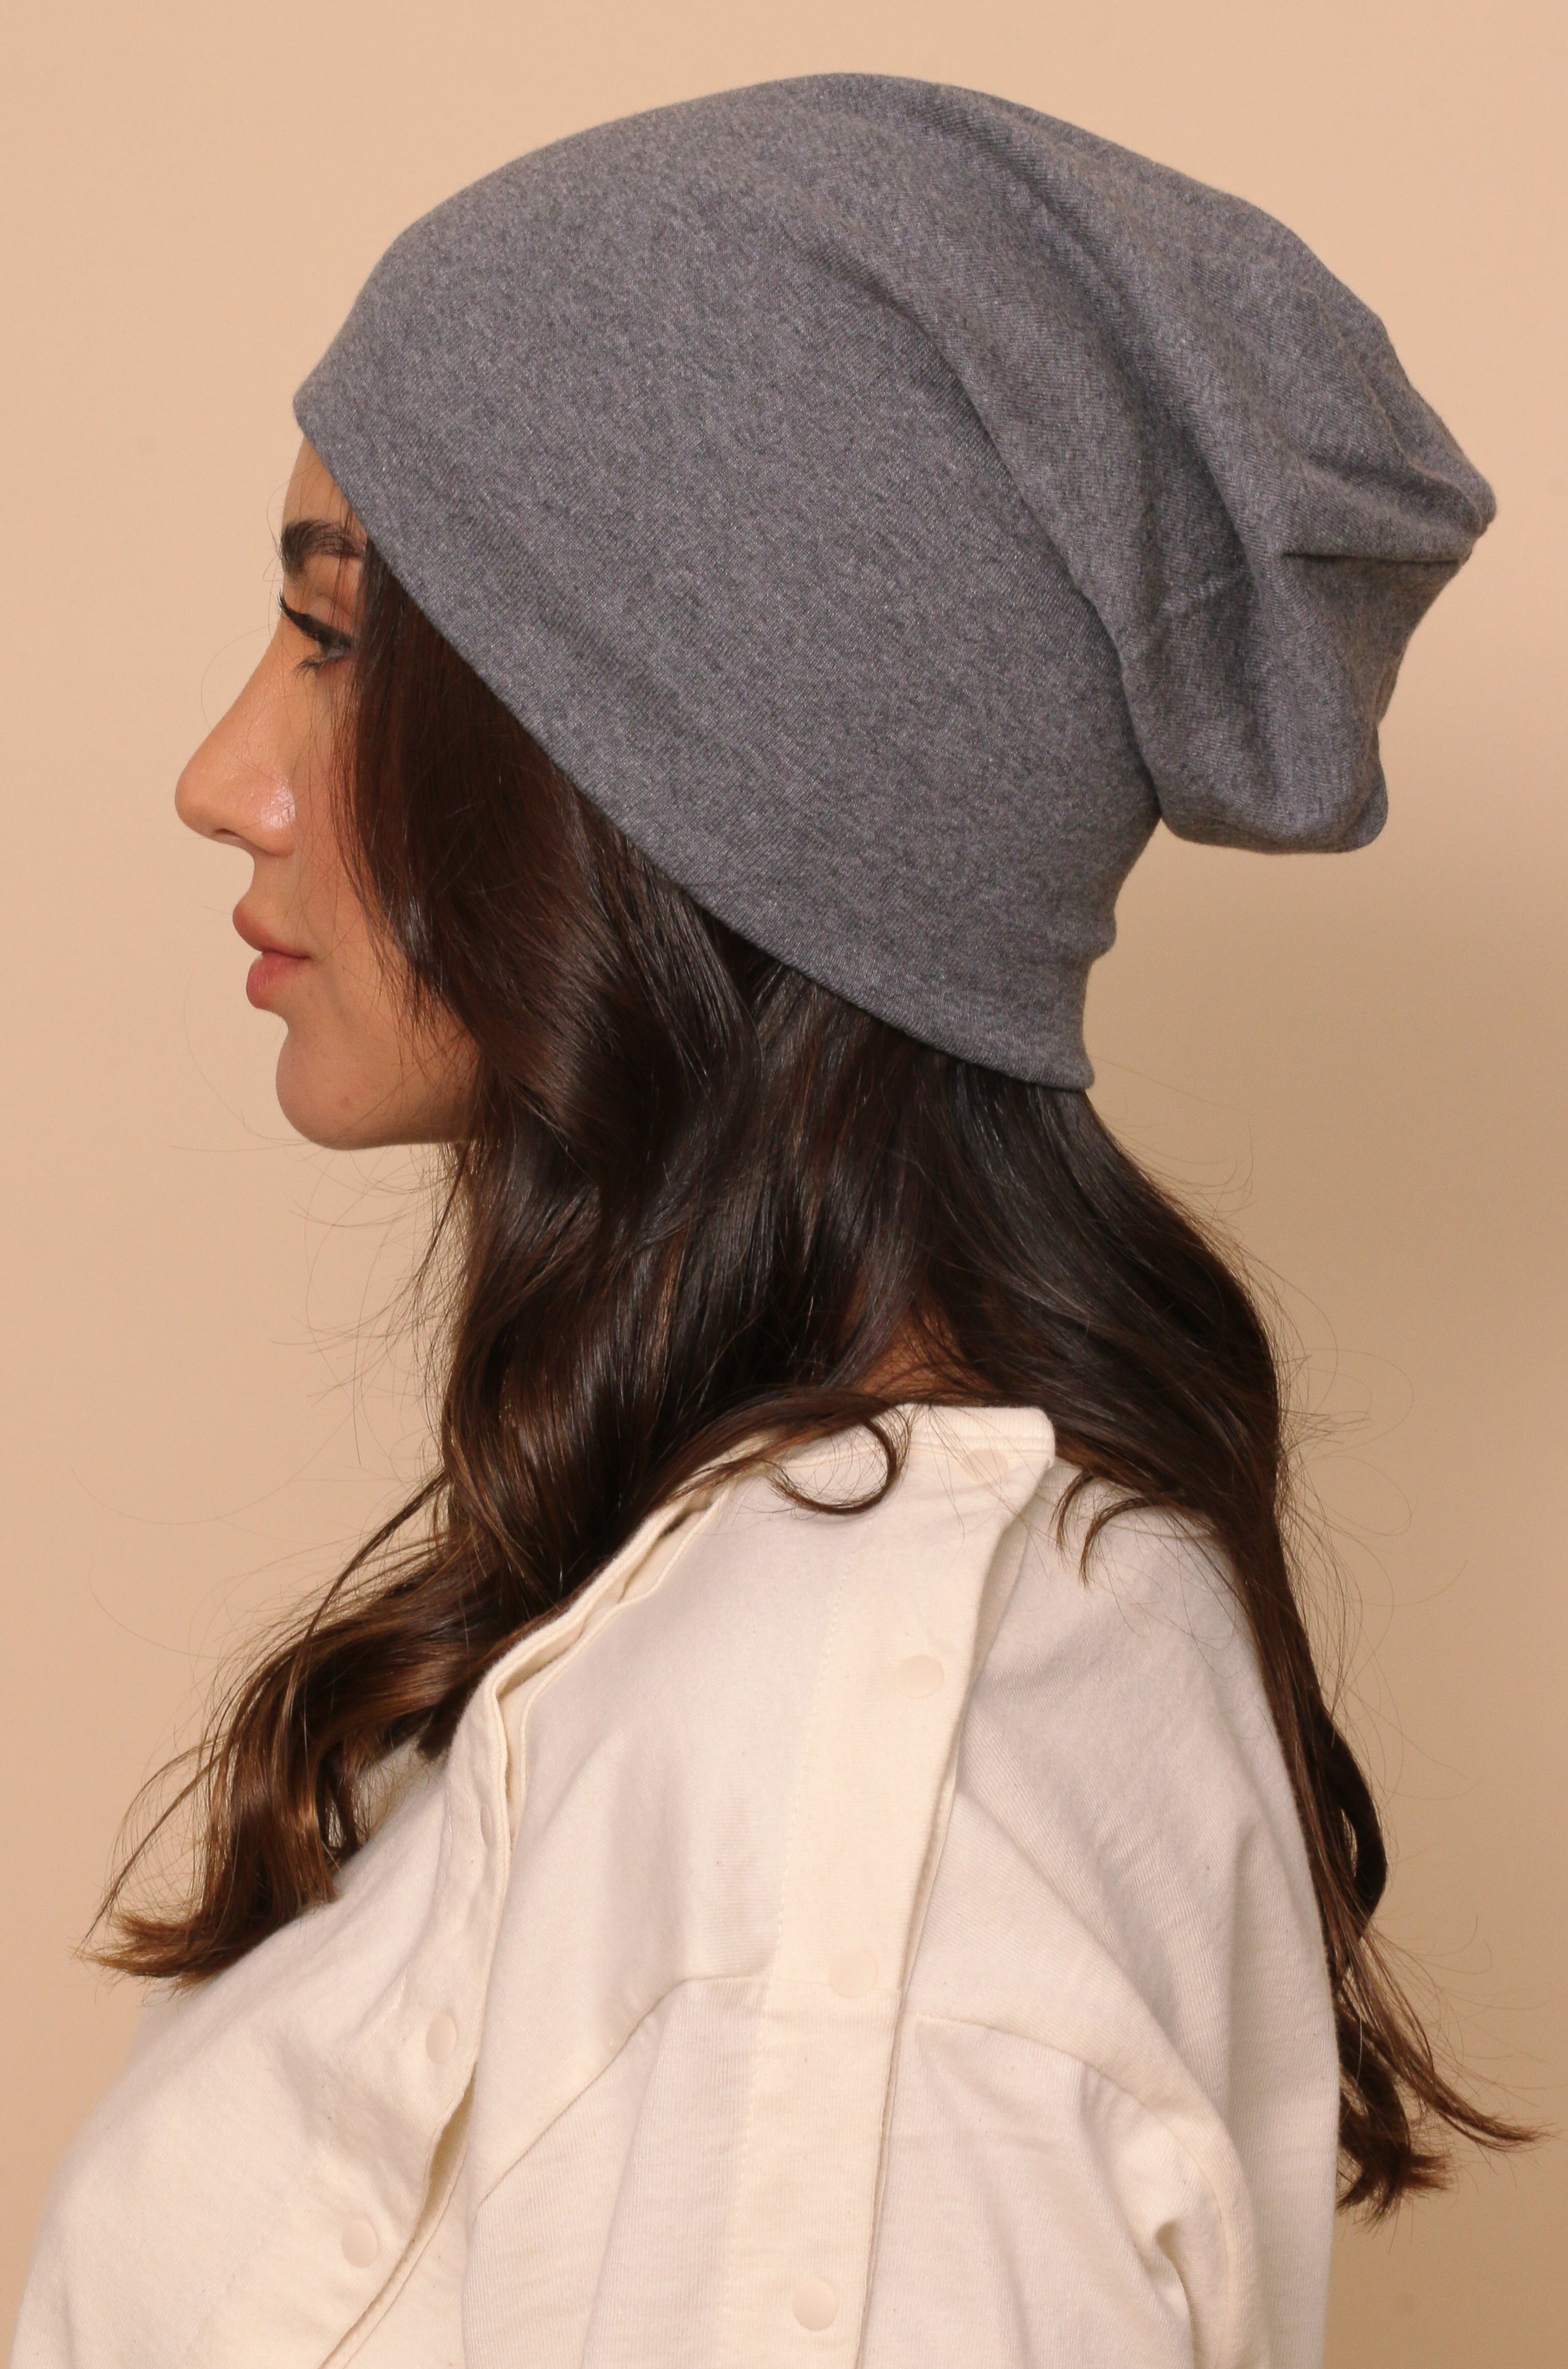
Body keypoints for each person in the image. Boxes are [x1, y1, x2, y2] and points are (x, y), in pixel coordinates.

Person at [12, 73, 1527, 2369]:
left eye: (339, 641)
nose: (223, 777)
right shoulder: (814, 1631)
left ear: (674, 778)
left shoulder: (845, 1843)